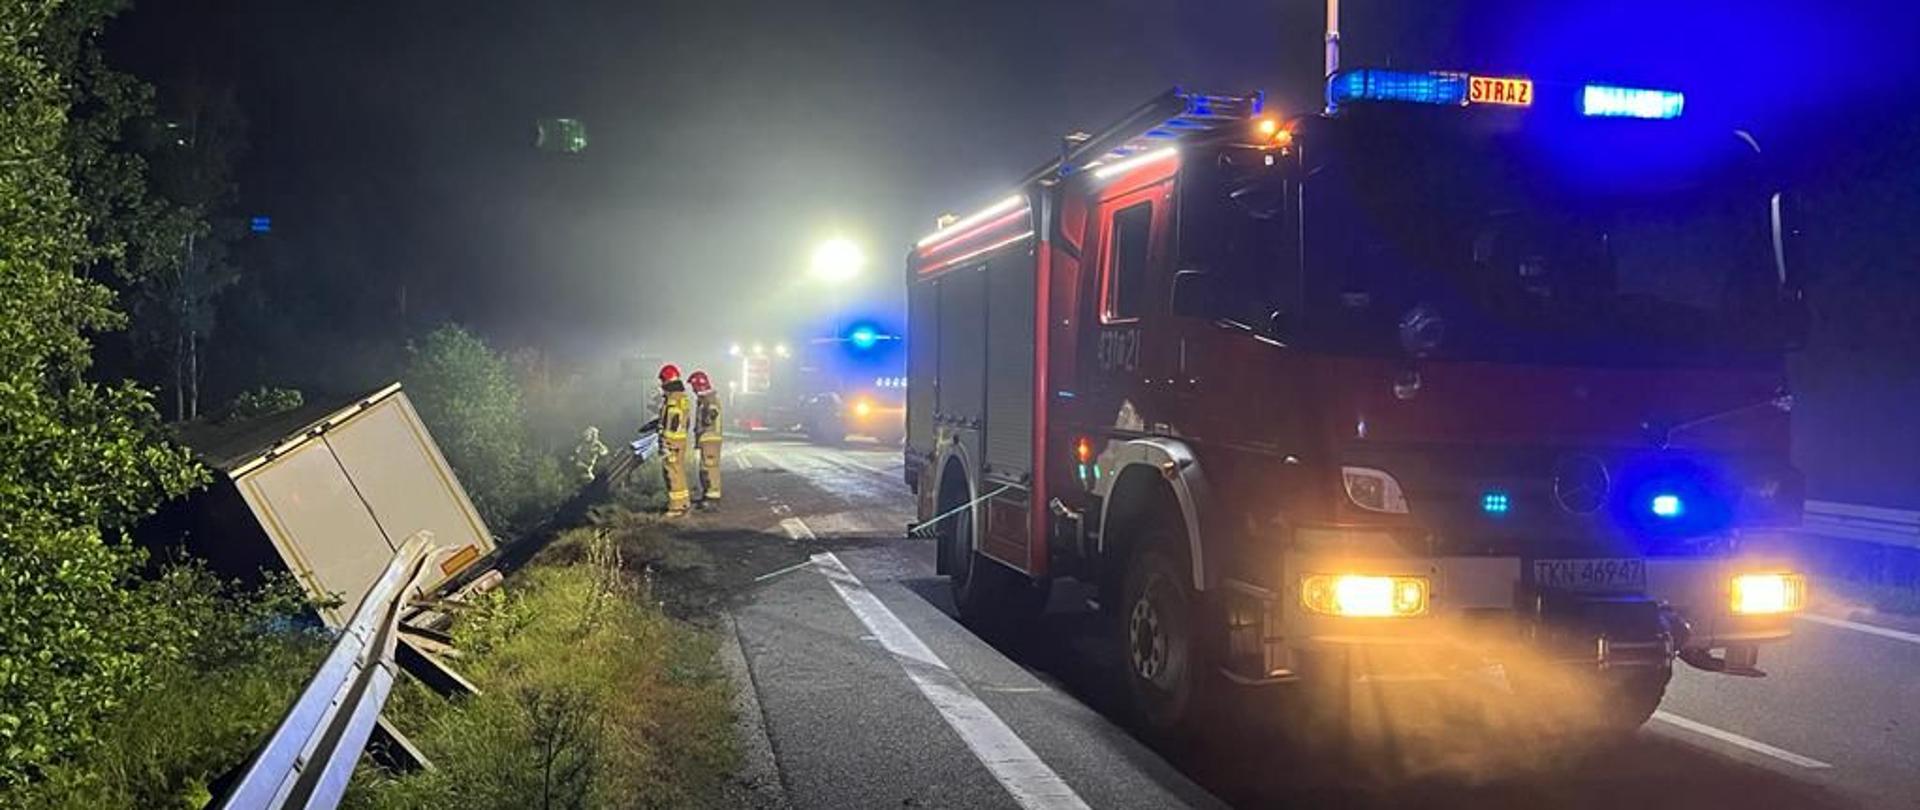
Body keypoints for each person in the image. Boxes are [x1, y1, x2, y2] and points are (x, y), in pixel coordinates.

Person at [656, 364, 692, 516]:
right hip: (681, 441)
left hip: (672, 442)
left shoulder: (673, 399)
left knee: (671, 472)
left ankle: (676, 508)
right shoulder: (682, 398)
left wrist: (665, 441)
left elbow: (673, 421)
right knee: (678, 471)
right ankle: (683, 502)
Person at [689, 370, 723, 505]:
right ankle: (707, 494)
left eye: (693, 386)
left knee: (710, 468)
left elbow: (710, 416)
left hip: (710, 438)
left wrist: (706, 418)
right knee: (705, 469)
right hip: (707, 439)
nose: (692, 390)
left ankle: (713, 498)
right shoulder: (705, 399)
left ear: (699, 386)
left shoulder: (709, 400)